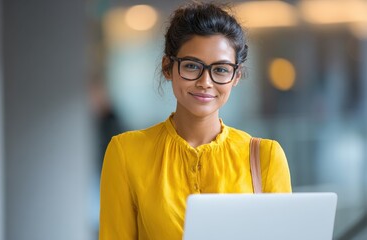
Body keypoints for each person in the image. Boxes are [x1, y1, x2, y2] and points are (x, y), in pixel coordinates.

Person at [99, 1, 292, 239]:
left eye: (220, 69)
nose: (205, 82)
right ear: (168, 67)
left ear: (236, 76)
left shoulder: (266, 157)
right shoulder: (126, 153)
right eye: (192, 66)